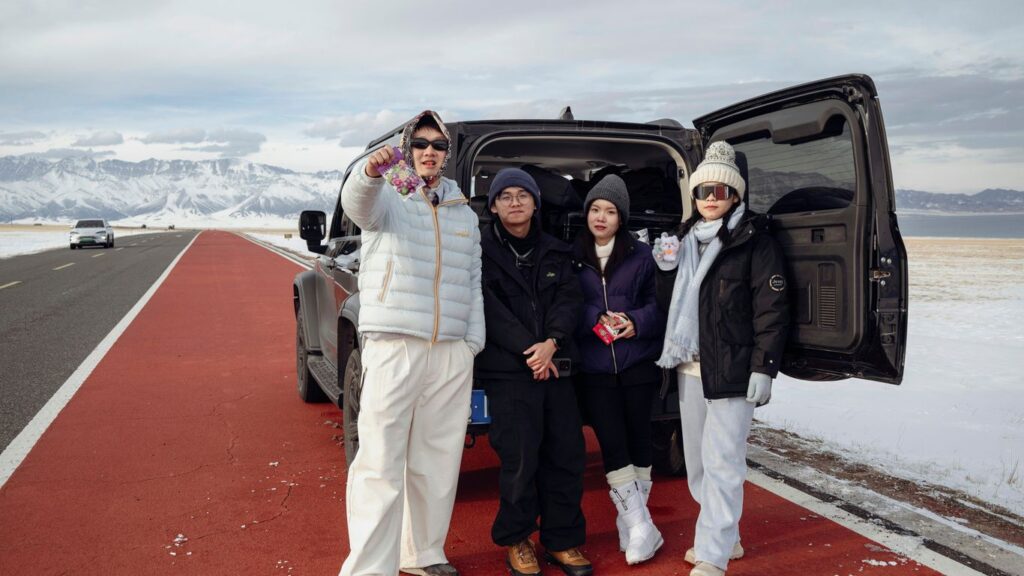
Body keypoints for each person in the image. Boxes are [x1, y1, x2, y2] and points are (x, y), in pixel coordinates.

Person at [338, 110, 485, 576]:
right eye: (419, 144)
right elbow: (358, 207)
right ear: (407, 149)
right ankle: (369, 568)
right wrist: (369, 172)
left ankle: (423, 553)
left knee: (437, 459)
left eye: (437, 145)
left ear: (447, 154)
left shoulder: (463, 210)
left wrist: (471, 342)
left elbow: (473, 279)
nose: (428, 152)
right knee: (380, 460)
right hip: (396, 343)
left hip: (450, 351)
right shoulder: (391, 197)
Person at [652, 141, 790, 576]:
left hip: (732, 367)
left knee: (723, 460)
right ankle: (725, 536)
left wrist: (764, 367)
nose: (710, 198)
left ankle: (712, 554)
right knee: (696, 462)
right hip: (689, 365)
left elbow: (772, 309)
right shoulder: (682, 240)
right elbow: (668, 310)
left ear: (736, 195)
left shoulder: (754, 240)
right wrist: (665, 270)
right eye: (703, 191)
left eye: (720, 190)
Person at [475, 168, 593, 576]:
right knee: (519, 458)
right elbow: (488, 307)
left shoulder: (556, 250)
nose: (514, 202)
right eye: (504, 196)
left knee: (566, 455)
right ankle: (518, 539)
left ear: (535, 203)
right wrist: (531, 351)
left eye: (522, 195)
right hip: (509, 370)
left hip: (556, 365)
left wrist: (552, 343)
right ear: (492, 206)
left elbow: (569, 299)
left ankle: (563, 540)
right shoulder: (479, 251)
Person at [572, 175, 667, 566]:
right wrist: (596, 316)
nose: (601, 217)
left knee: (638, 439)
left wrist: (635, 321)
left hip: (637, 362)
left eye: (610, 211)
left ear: (621, 218)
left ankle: (634, 523)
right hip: (595, 367)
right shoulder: (573, 254)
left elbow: (660, 304)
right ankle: (641, 525)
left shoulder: (642, 255)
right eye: (595, 209)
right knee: (611, 442)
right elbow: (568, 302)